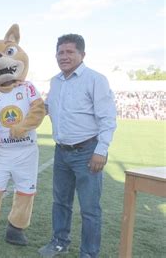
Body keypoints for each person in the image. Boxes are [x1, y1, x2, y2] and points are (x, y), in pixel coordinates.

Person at [38, 34, 117, 258]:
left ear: (82, 54)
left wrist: (101, 151)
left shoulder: (95, 79)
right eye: (60, 52)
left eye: (69, 52)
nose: (64, 56)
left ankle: (89, 253)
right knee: (60, 202)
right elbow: (47, 108)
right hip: (61, 152)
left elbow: (108, 118)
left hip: (87, 152)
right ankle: (59, 242)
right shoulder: (55, 81)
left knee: (90, 209)